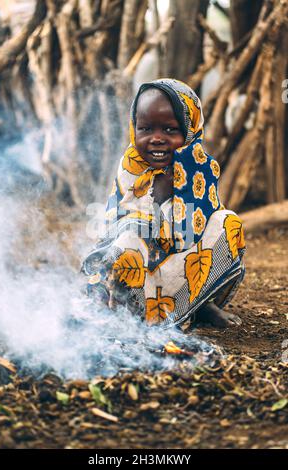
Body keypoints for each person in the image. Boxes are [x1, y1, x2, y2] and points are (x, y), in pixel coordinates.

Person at [82, 78, 246, 329]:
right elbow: (116, 225)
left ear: (190, 130)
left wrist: (178, 197)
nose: (156, 139)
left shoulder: (200, 166)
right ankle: (124, 314)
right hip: (137, 273)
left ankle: (199, 305)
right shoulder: (132, 164)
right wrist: (157, 198)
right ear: (134, 127)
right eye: (146, 129)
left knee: (227, 223)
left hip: (178, 266)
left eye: (170, 130)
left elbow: (194, 231)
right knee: (130, 237)